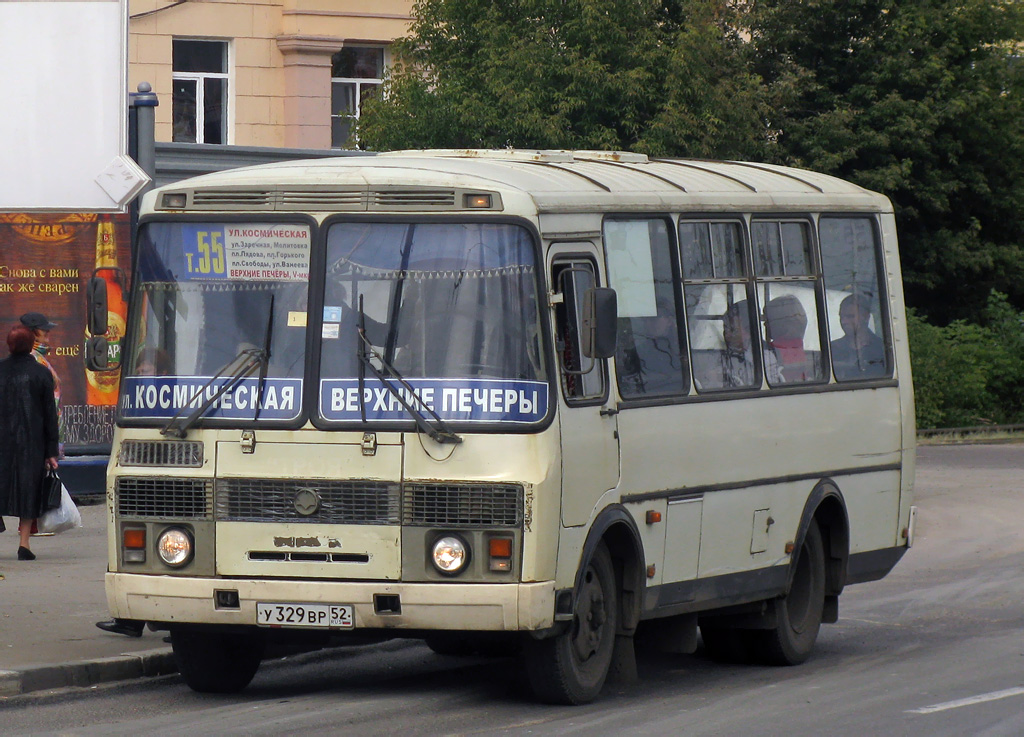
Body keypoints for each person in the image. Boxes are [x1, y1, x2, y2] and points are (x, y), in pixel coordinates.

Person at [0, 324, 60, 560]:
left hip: (2, 443)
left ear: (9, 345)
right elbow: (49, 415)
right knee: (28, 491)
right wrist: (51, 451)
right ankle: (24, 544)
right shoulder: (41, 373)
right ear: (30, 346)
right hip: (31, 444)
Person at [719, 300, 783, 387]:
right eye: (725, 329)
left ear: (748, 331)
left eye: (733, 329)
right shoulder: (726, 353)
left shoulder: (765, 357)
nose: (727, 335)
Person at [763, 294, 819, 382]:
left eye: (768, 320)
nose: (764, 324)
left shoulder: (770, 352)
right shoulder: (798, 348)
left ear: (782, 322)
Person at [831, 294, 886, 380]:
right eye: (841, 317)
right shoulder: (832, 349)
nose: (843, 321)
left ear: (866, 317)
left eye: (850, 316)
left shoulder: (883, 348)